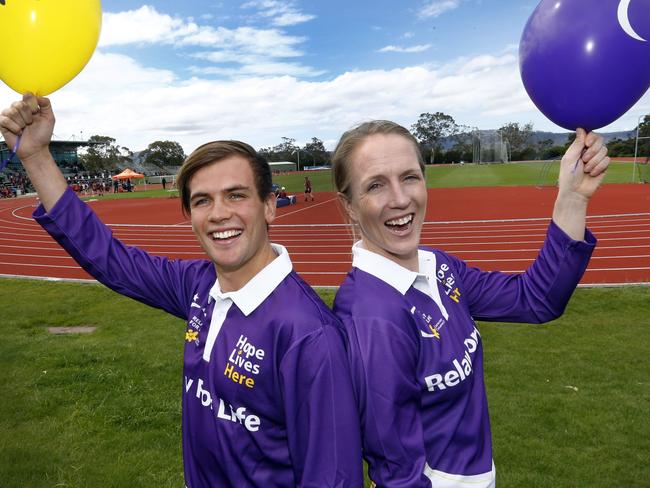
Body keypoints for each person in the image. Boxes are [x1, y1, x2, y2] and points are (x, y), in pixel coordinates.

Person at [0, 93, 363, 488]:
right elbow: (108, 258)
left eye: (236, 195)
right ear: (190, 216)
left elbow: (334, 478)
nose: (220, 213)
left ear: (270, 206)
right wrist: (36, 156)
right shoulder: (198, 285)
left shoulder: (310, 335)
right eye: (203, 201)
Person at [330, 120, 609, 487]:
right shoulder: (371, 317)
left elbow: (536, 299)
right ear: (349, 206)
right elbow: (397, 471)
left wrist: (572, 198)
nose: (400, 199)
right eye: (376, 185)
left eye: (410, 177)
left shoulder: (438, 265)